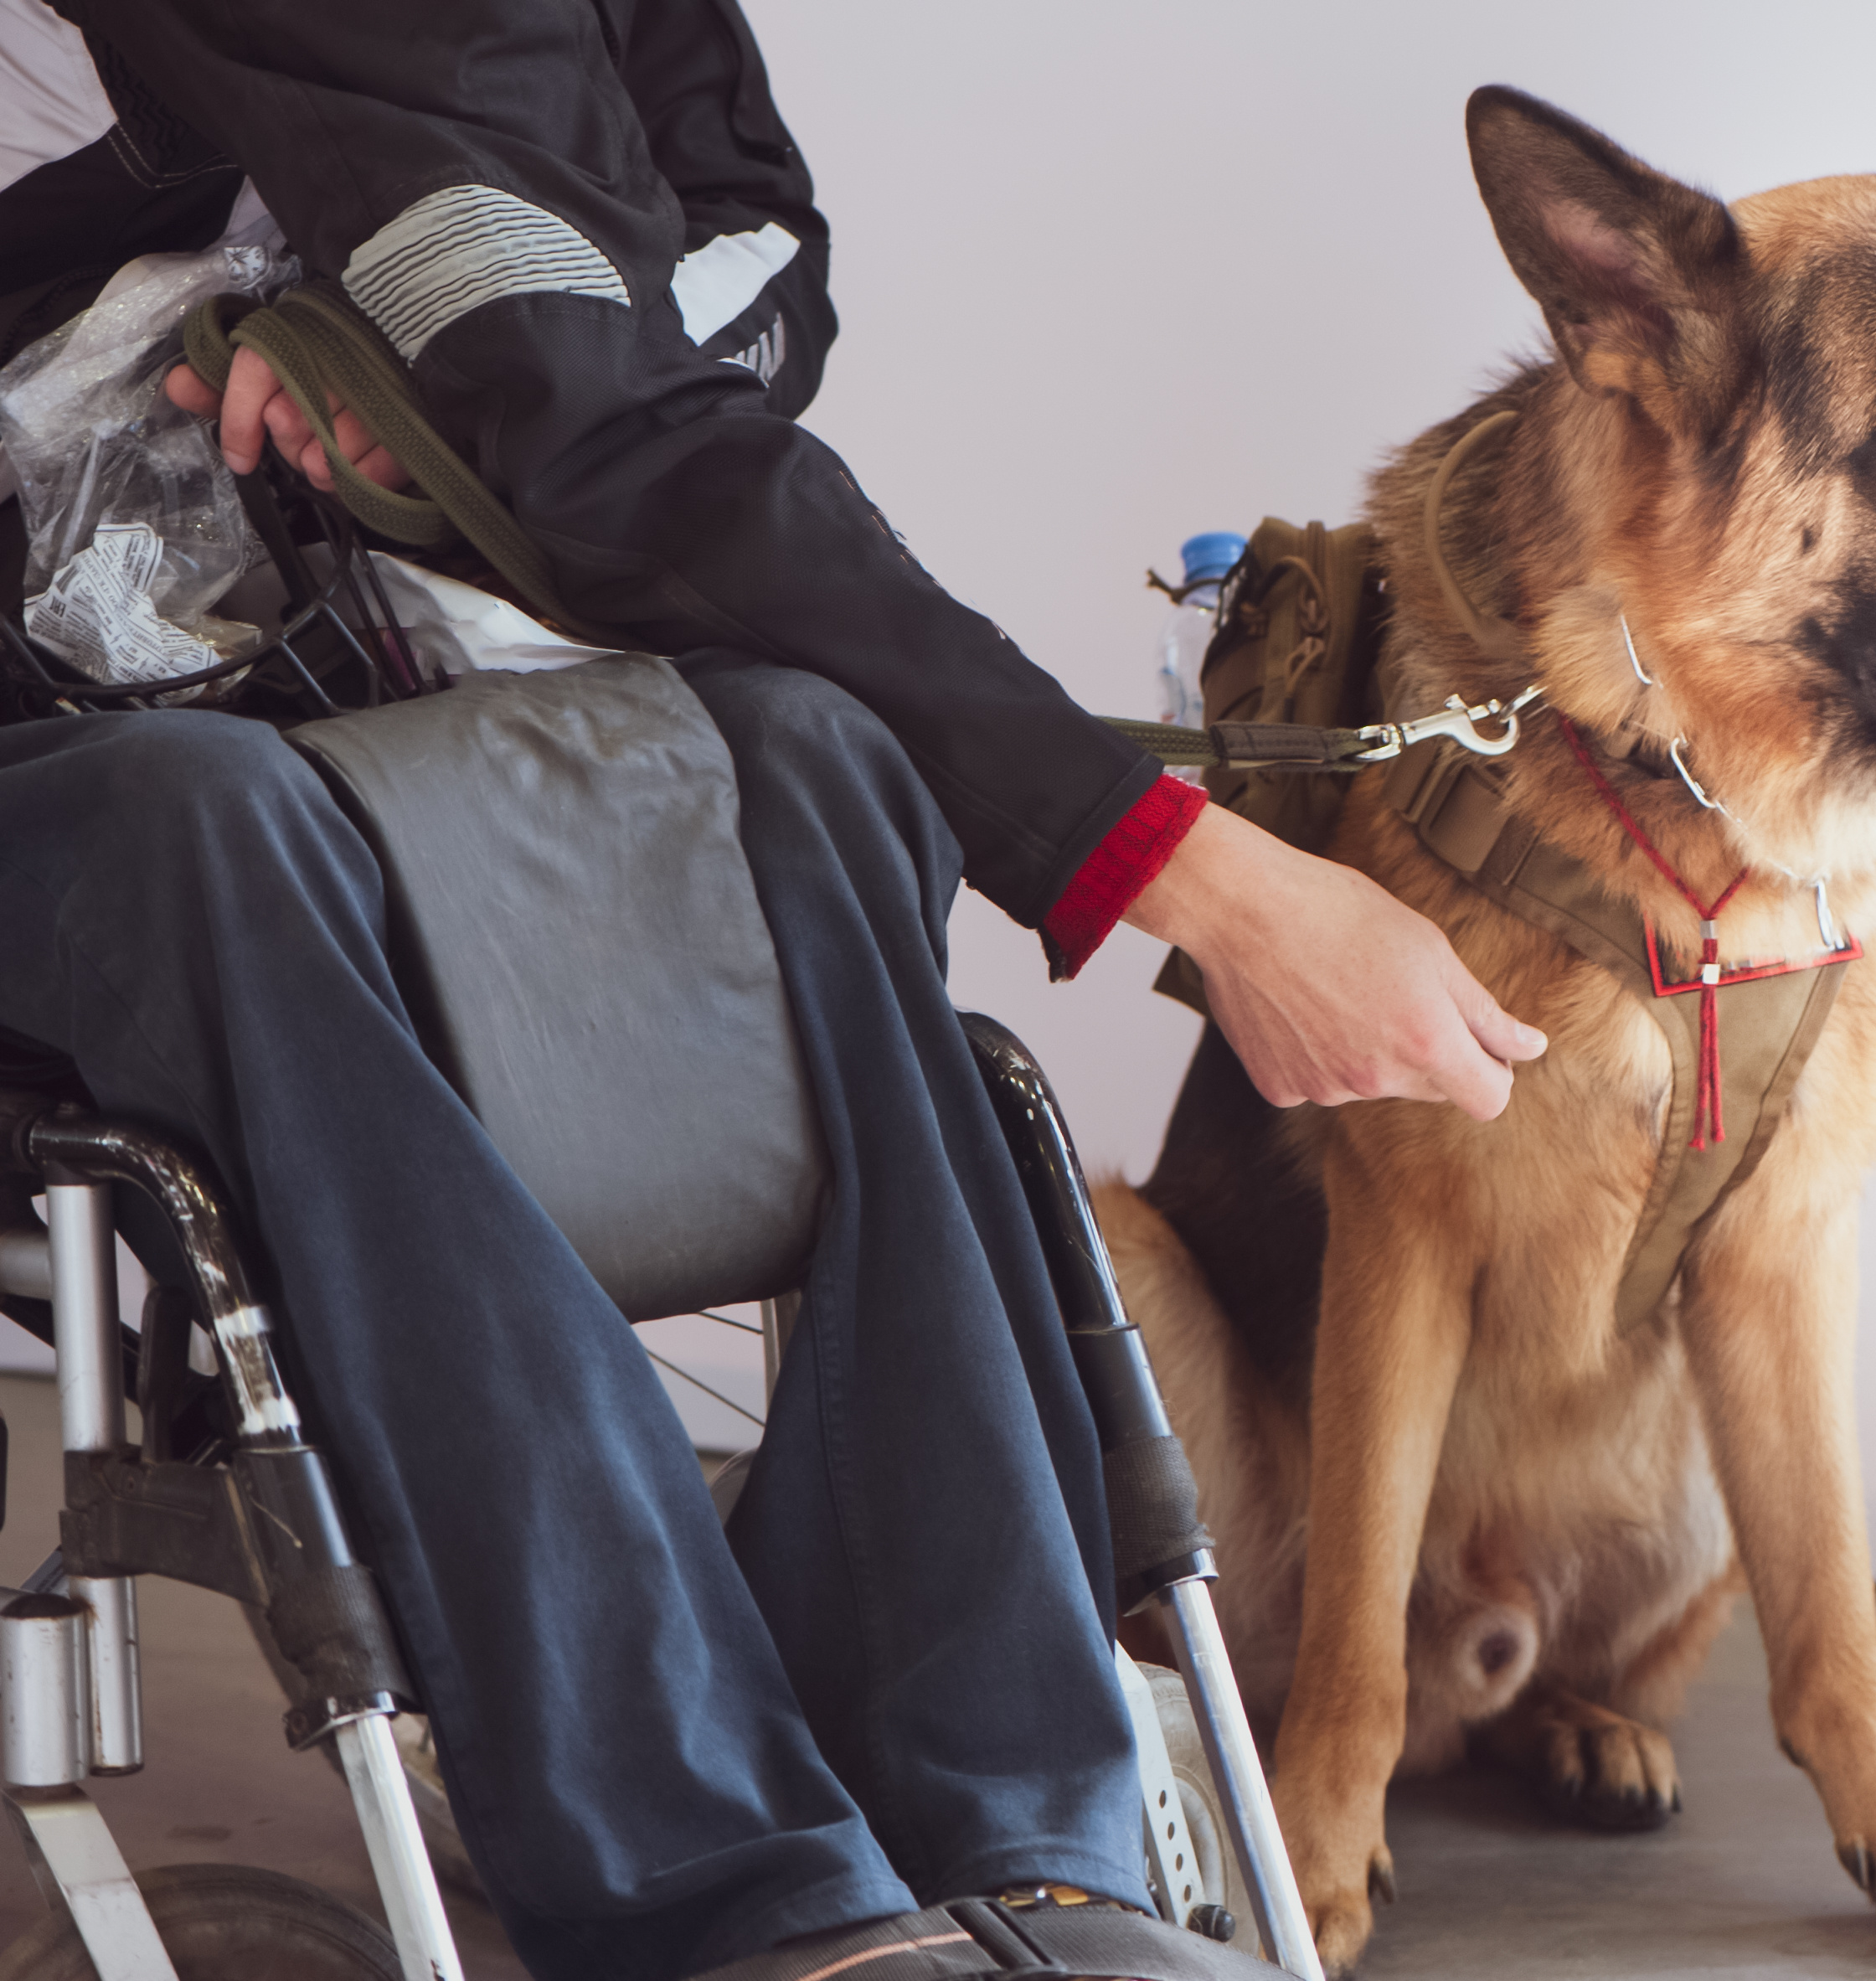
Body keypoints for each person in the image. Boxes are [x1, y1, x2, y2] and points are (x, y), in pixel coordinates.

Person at [0, 1, 1544, 1976]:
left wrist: (430, 348)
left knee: (812, 754)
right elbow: (611, 422)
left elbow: (750, 258)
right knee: (214, 835)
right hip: (67, 726)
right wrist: (1204, 882)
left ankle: (1019, 1829)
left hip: (336, 628)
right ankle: (728, 1893)